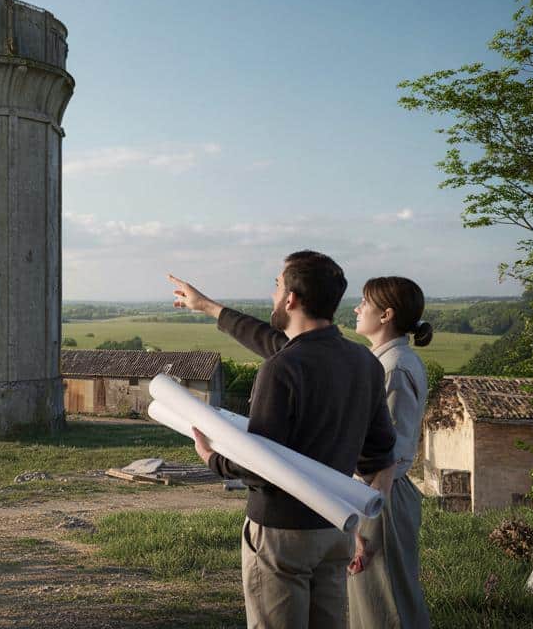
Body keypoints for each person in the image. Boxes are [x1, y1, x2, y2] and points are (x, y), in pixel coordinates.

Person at [168, 251, 396, 629]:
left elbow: (259, 466)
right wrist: (363, 524)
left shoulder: (282, 368)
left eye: (277, 285)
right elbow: (380, 457)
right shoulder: (363, 362)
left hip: (281, 534)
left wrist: (212, 457)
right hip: (335, 530)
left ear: (290, 298)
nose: (273, 293)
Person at [347, 277, 432, 629]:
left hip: (381, 497)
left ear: (386, 315)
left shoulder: (393, 367)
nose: (356, 309)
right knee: (371, 601)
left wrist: (364, 520)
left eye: (364, 303)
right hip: (374, 495)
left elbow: (390, 452)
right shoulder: (385, 361)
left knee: (386, 605)